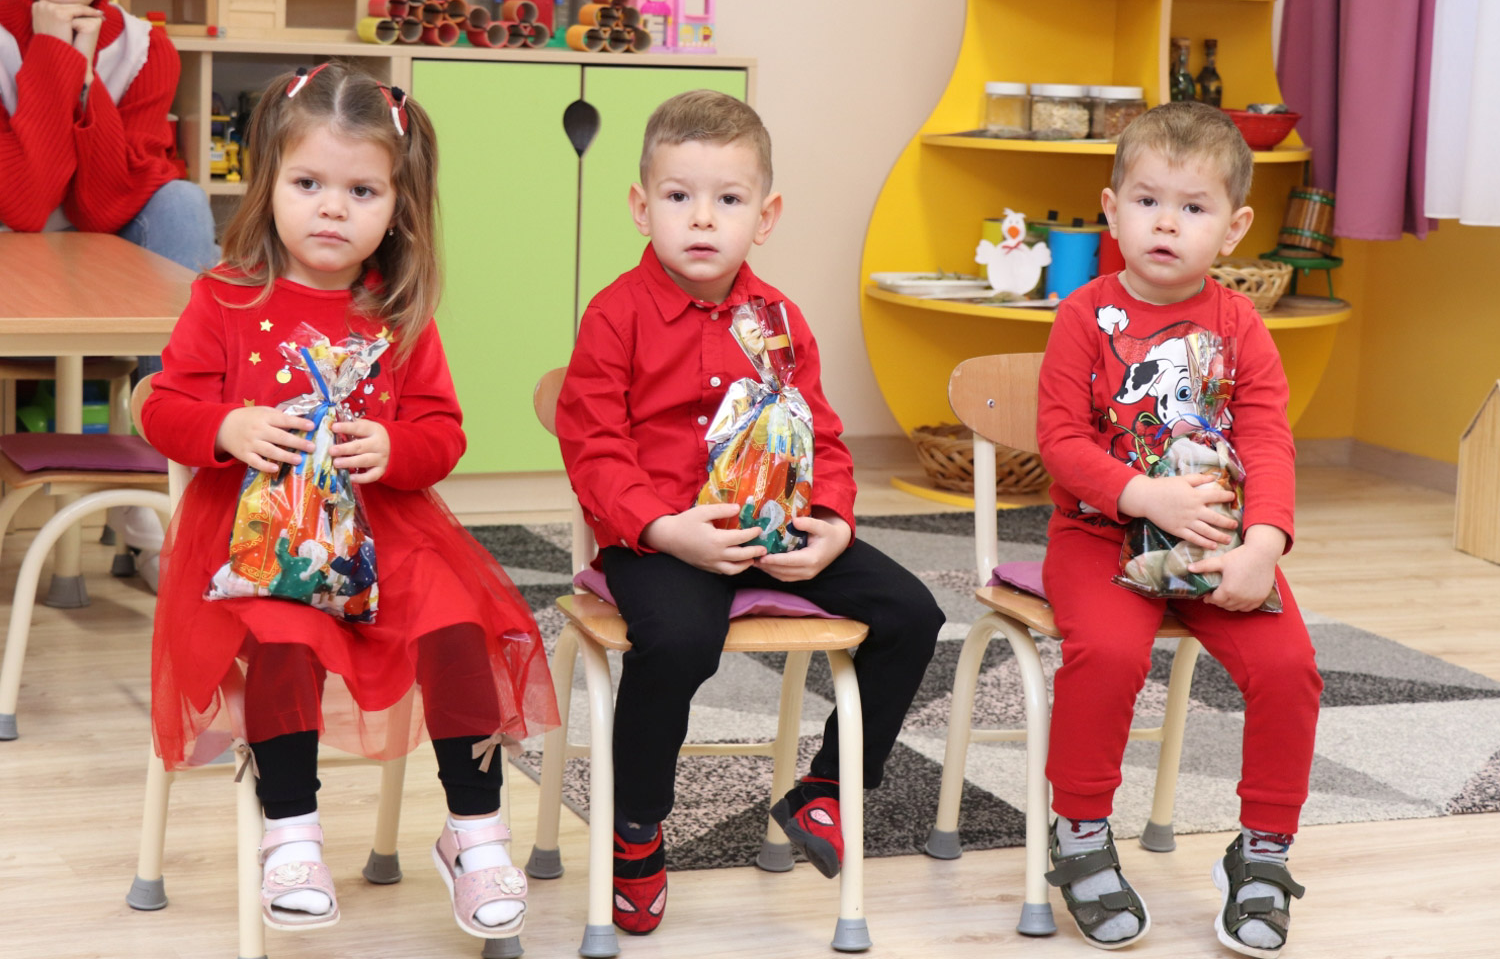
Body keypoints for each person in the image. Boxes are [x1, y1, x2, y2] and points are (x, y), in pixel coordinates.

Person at [141, 63, 557, 940]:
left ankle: (475, 833)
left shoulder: (395, 313)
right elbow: (164, 408)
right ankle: (290, 833)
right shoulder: (224, 298)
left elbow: (443, 432)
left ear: (398, 208)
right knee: (282, 628)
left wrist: (396, 447)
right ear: (269, 185)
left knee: (457, 621)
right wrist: (227, 425)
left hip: (385, 533)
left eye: (361, 191)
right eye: (308, 184)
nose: (331, 209)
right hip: (254, 539)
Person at [556, 90, 945, 936]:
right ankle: (635, 826)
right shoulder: (614, 315)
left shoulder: (779, 320)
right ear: (641, 207)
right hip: (661, 538)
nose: (702, 219)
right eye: (678, 196)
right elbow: (593, 449)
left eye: (727, 199)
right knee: (678, 641)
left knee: (913, 614)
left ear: (763, 217)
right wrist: (662, 529)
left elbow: (823, 437)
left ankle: (825, 790)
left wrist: (832, 524)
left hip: (775, 523)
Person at [1037, 101, 1322, 956]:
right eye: (1147, 201)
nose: (1166, 223)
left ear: (1232, 229)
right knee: (1107, 654)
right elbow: (1060, 443)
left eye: (1192, 207)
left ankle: (1262, 853)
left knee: (1290, 668)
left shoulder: (1240, 326)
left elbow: (1267, 439)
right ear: (1111, 209)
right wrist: (1141, 496)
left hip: (1213, 539)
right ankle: (1080, 831)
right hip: (1097, 535)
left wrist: (1262, 545)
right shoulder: (1082, 316)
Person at [0, 0, 217, 307]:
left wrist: (85, 78)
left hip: (110, 232)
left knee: (183, 201)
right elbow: (27, 208)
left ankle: (182, 352)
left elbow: (100, 211)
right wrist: (53, 54)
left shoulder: (147, 49)